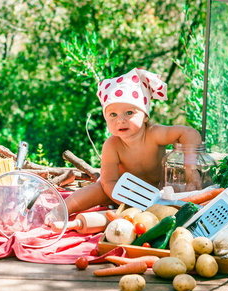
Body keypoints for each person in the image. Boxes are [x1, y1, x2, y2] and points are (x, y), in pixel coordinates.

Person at [63, 68, 202, 216]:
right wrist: (127, 202)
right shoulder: (112, 145)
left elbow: (189, 133)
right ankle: (63, 209)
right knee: (98, 189)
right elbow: (109, 182)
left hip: (160, 192)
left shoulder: (154, 134)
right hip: (125, 192)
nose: (120, 120)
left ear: (146, 116)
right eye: (113, 114)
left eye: (129, 112)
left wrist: (191, 174)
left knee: (185, 191)